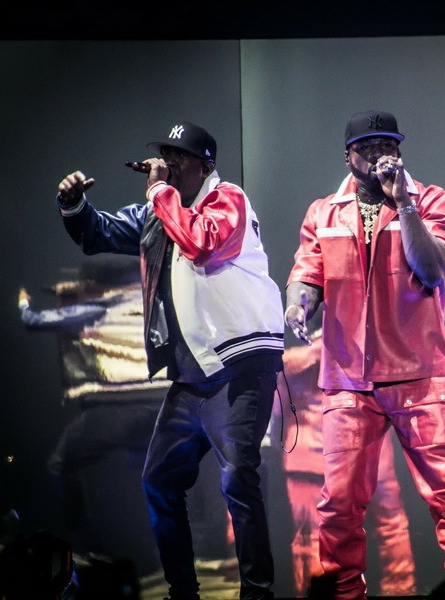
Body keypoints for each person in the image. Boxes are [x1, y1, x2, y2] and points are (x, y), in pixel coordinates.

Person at [54, 121, 285, 600]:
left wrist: (160, 190)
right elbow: (100, 232)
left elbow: (200, 242)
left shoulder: (229, 200)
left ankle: (257, 594)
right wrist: (74, 205)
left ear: (205, 165)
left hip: (239, 368)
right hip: (193, 376)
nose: (168, 162)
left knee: (237, 478)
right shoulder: (160, 211)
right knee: (159, 480)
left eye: (179, 155)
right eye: (165, 154)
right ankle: (183, 592)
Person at [284, 110, 445, 600]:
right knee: (339, 505)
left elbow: (433, 267)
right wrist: (298, 304)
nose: (380, 154)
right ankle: (343, 594)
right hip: (347, 379)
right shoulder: (323, 212)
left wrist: (404, 204)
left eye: (389, 145)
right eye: (368, 147)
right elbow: (306, 274)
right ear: (349, 156)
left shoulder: (430, 199)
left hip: (419, 374)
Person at [18, 254, 170, 562]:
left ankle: (83, 544)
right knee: (154, 475)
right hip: (164, 407)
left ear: (98, 284)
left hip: (118, 407)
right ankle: (179, 544)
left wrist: (22, 301)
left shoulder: (96, 307)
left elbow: (34, 321)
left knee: (61, 463)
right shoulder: (156, 303)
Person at [270, 329, 417, 597]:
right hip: (371, 448)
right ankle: (401, 590)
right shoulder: (373, 348)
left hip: (310, 456)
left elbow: (276, 405)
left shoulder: (291, 362)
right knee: (391, 524)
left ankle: (318, 594)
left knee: (312, 535)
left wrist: (318, 349)